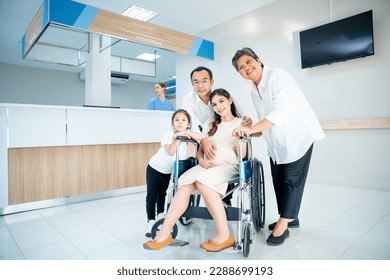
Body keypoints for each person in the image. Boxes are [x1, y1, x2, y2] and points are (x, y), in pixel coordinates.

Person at [231, 47, 325, 246]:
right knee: (278, 179)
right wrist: (249, 128)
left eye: (249, 62)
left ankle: (284, 224)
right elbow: (265, 121)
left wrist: (253, 128)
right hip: (277, 142)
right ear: (240, 73)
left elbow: (279, 113)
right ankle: (290, 217)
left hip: (297, 136)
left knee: (292, 180)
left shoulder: (278, 76)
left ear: (259, 59)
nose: (246, 68)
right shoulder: (253, 90)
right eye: (241, 67)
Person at [143, 88, 243, 251]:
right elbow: (201, 146)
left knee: (203, 182)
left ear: (230, 100)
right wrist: (202, 159)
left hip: (227, 165)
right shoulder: (211, 123)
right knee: (185, 183)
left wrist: (243, 140)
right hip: (205, 165)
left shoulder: (241, 122)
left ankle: (224, 235)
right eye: (214, 104)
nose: (218, 106)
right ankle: (165, 233)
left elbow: (243, 152)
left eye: (221, 101)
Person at [145, 109, 202, 237]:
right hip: (154, 168)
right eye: (177, 120)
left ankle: (161, 215)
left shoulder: (187, 136)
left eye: (183, 120)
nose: (179, 122)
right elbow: (171, 152)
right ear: (173, 123)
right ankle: (150, 221)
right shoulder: (169, 134)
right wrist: (177, 138)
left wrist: (186, 133)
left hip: (166, 172)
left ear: (188, 124)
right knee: (151, 197)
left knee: (162, 195)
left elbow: (201, 138)